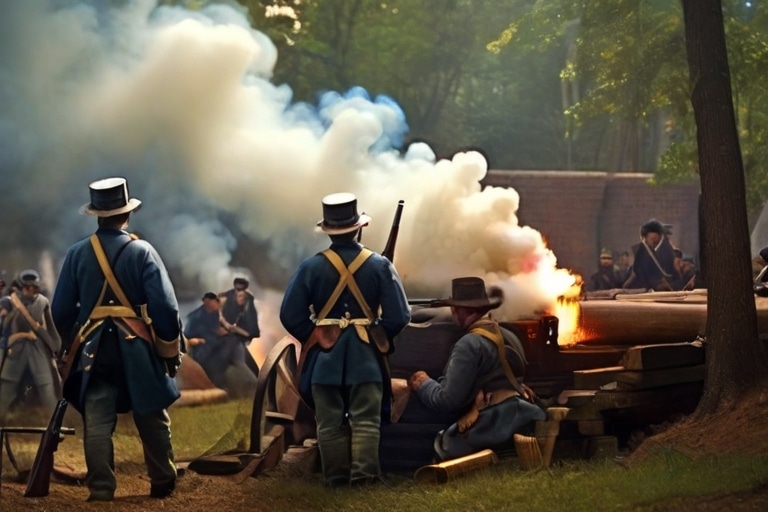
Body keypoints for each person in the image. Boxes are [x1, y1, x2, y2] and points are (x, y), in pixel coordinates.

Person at [51, 177, 184, 502]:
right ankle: (163, 483)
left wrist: (72, 344)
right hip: (136, 347)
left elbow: (60, 310)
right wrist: (168, 348)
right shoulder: (143, 251)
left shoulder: (76, 253)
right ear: (126, 215)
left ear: (97, 214)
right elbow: (165, 308)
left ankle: (101, 490)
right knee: (152, 415)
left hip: (93, 350)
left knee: (97, 421)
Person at [280, 192, 410, 486]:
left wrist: (317, 335)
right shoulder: (379, 265)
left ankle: (335, 478)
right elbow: (400, 315)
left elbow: (290, 314)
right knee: (366, 422)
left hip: (324, 362)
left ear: (328, 230)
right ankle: (364, 477)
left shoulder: (310, 267)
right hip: (366, 360)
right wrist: (377, 334)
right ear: (359, 227)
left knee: (329, 424)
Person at [407, 276, 545, 459]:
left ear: (456, 309)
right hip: (520, 419)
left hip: (491, 426)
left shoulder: (469, 344)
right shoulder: (509, 335)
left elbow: (446, 401)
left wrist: (422, 383)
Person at [0, 269, 62, 423]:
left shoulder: (42, 302)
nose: (32, 291)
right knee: (6, 391)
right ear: (21, 288)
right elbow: (5, 328)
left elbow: (50, 328)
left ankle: (55, 425)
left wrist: (55, 346)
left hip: (37, 350)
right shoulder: (11, 302)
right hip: (15, 351)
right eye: (28, 288)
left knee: (47, 389)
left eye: (35, 288)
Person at [183, 291, 257, 398]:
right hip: (208, 356)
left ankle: (256, 380)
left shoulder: (219, 315)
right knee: (234, 345)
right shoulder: (196, 318)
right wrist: (197, 340)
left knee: (237, 345)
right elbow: (189, 336)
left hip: (223, 350)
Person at [218, 277, 260, 377]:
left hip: (235, 339)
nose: (239, 294)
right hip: (219, 337)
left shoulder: (249, 301)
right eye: (237, 290)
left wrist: (234, 329)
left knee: (254, 372)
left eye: (242, 290)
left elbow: (251, 331)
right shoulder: (225, 297)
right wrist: (222, 320)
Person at [623, 218, 677, 291]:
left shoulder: (663, 251)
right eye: (653, 238)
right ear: (645, 237)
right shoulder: (642, 253)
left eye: (657, 238)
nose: (655, 241)